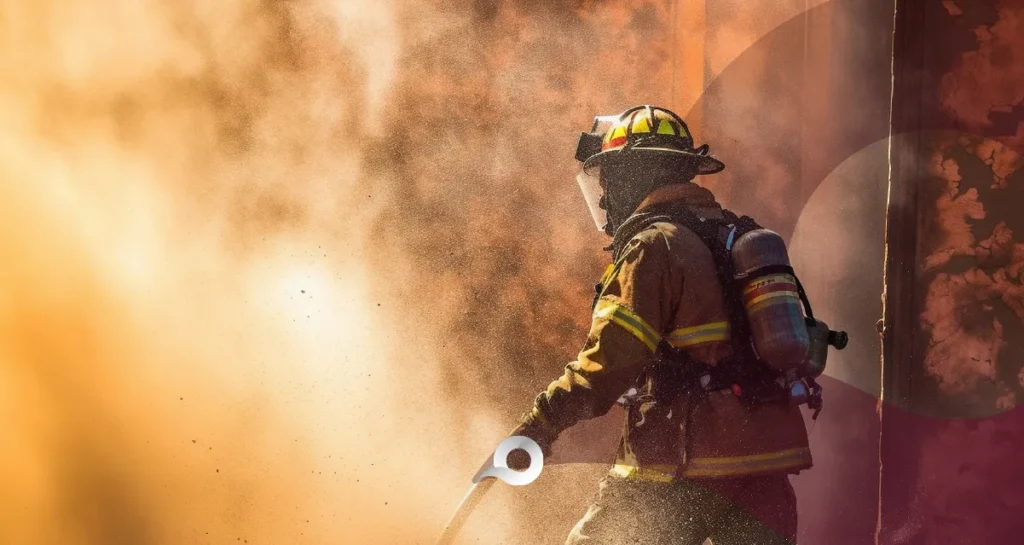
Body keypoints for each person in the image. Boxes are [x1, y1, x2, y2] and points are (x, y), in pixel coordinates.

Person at [508, 105, 813, 544]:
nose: (605, 195)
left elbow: (606, 366)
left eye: (609, 179)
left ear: (634, 176)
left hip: (679, 464)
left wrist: (538, 426)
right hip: (765, 470)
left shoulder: (653, 248)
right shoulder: (738, 236)